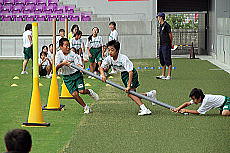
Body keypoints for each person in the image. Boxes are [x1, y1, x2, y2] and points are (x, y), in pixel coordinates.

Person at [99, 40, 157, 116]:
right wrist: (103, 75)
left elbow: (130, 72)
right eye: (109, 50)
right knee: (133, 94)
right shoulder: (108, 58)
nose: (110, 52)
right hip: (123, 74)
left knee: (130, 93)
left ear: (117, 51)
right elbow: (101, 67)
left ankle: (145, 109)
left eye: (112, 50)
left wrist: (128, 86)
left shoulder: (123, 58)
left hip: (131, 74)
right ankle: (150, 94)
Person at [56, 38, 99, 114]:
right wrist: (63, 64)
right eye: (66, 46)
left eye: (68, 45)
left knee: (81, 91)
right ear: (61, 47)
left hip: (76, 75)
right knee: (74, 94)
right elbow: (56, 67)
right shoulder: (58, 55)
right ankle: (85, 107)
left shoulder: (73, 54)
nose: (68, 47)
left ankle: (89, 92)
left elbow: (78, 64)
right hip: (67, 77)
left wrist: (80, 67)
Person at [156, 12, 173, 80]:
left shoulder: (166, 25)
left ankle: (168, 75)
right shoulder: (160, 25)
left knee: (167, 59)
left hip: (166, 45)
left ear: (161, 17)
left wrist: (170, 43)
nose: (157, 18)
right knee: (162, 59)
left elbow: (170, 35)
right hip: (161, 45)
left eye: (158, 17)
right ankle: (163, 75)